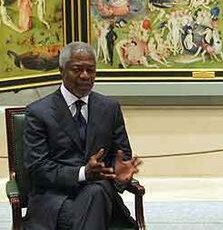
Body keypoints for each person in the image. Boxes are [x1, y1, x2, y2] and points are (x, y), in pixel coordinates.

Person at [23, 41, 142, 230]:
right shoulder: (39, 112)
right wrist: (82, 174)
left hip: (101, 196)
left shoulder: (109, 108)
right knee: (95, 194)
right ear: (61, 70)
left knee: (96, 191)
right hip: (56, 201)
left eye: (91, 70)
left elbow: (121, 156)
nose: (85, 76)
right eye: (77, 70)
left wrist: (119, 175)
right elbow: (37, 168)